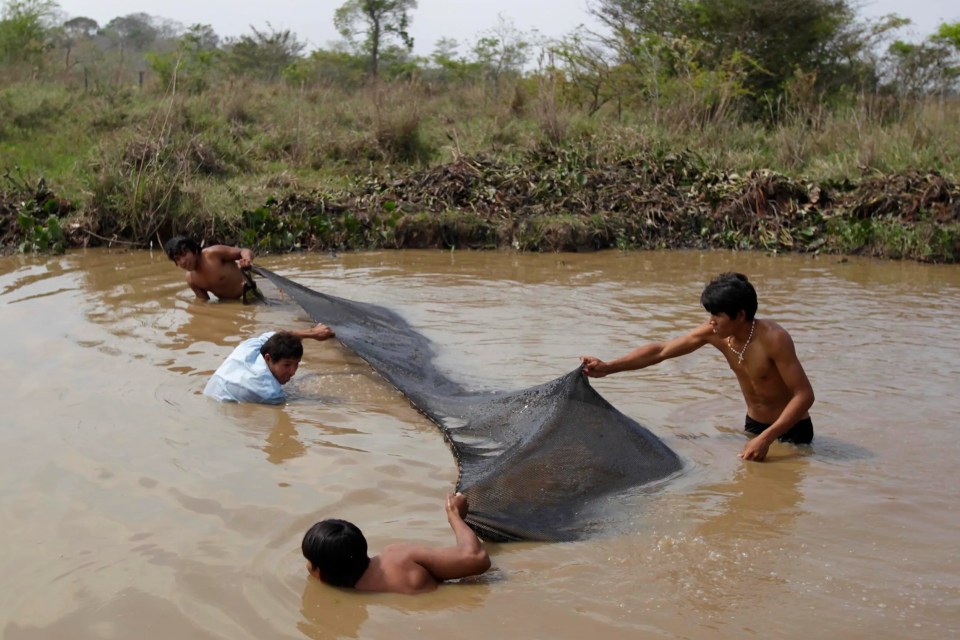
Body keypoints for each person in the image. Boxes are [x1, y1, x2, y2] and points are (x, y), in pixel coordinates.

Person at [580, 272, 814, 462]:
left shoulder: (774, 339)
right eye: (710, 315)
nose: (711, 321)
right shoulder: (715, 333)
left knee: (785, 495)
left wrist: (767, 438)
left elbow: (804, 395)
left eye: (717, 316)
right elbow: (661, 351)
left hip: (792, 430)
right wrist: (609, 367)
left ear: (740, 315)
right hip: (754, 425)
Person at [302, 492, 491, 595]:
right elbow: (477, 558)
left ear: (320, 573)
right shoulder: (398, 557)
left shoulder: (344, 596)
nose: (306, 565)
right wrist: (455, 516)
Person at [204, 323, 336, 404]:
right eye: (287, 365)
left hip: (208, 394)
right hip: (221, 408)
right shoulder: (269, 393)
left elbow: (276, 336)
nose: (293, 372)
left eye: (297, 364)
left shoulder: (249, 346)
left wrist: (313, 333)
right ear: (268, 358)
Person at [164, 236, 258, 302]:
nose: (183, 261)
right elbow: (203, 302)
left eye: (184, 254)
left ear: (194, 251)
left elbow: (244, 251)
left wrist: (247, 260)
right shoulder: (191, 279)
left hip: (251, 295)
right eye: (177, 259)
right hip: (226, 304)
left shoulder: (213, 254)